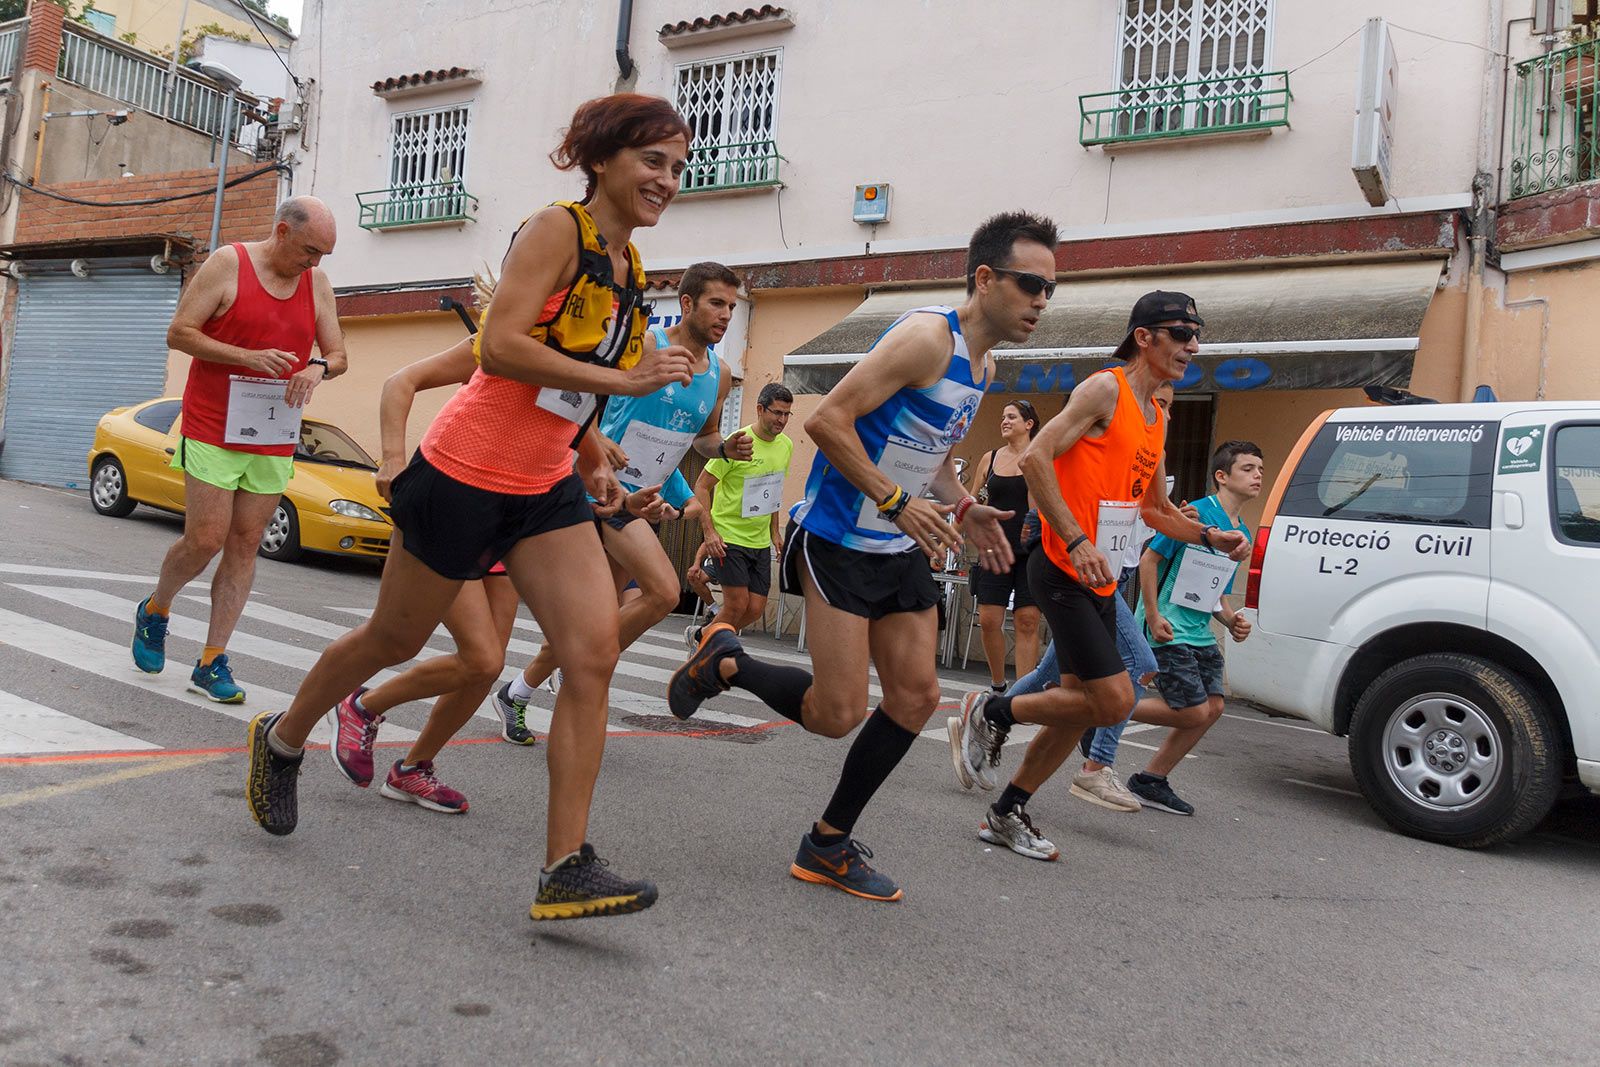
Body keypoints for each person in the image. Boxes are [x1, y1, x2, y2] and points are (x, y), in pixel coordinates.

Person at [245, 94, 696, 923]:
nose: (668, 178)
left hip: (544, 487)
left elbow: (568, 390)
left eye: (678, 165)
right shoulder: (557, 229)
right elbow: (501, 347)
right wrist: (625, 384)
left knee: (591, 656)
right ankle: (281, 736)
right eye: (653, 160)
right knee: (395, 637)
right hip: (462, 472)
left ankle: (564, 865)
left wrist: (593, 462)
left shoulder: (631, 273)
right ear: (602, 159)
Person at [666, 211, 1047, 902]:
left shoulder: (985, 366)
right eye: (1030, 284)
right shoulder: (928, 337)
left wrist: (962, 504)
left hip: (899, 544)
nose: (1042, 300)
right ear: (985, 278)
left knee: (916, 696)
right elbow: (828, 421)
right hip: (841, 537)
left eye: (1050, 288)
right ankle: (728, 660)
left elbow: (927, 462)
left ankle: (828, 841)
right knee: (836, 712)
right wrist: (896, 501)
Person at [948, 291, 1250, 860]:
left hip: (1103, 579)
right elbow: (1037, 458)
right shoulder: (1104, 388)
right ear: (1145, 337)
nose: (1193, 346)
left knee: (1080, 704)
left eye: (1196, 333)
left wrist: (1211, 537)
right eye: (1181, 333)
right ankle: (989, 710)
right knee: (1112, 699)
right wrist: (1077, 538)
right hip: (1063, 568)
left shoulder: (1157, 416)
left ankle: (1007, 812)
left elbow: (1155, 511)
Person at [494, 260, 748, 708]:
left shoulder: (720, 374)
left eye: (731, 305)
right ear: (687, 304)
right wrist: (600, 442)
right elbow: (584, 397)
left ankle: (518, 692)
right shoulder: (647, 344)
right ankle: (585, 669)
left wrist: (725, 449)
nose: (726, 314)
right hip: (604, 490)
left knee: (599, 616)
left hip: (643, 504)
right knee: (664, 592)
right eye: (715, 303)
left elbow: (703, 439)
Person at [131, 197, 345, 703]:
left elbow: (338, 355)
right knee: (205, 539)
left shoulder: (316, 283)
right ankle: (156, 610)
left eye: (324, 255)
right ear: (282, 232)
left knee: (246, 542)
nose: (315, 264)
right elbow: (179, 333)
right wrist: (246, 357)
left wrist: (317, 368)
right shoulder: (229, 263)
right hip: (212, 425)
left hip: (272, 433)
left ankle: (211, 660)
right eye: (311, 250)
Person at [1125, 439, 1261, 814]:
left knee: (1214, 708)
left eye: (1260, 469)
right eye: (1248, 469)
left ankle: (1151, 780)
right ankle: (1107, 709)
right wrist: (1152, 615)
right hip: (1168, 626)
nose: (1257, 476)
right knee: (1192, 711)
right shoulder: (1195, 515)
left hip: (1199, 632)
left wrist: (1231, 620)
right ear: (1222, 476)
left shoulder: (1242, 534)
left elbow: (1213, 594)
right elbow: (1148, 562)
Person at [683, 382, 795, 649]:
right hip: (729, 537)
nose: (782, 420)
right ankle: (705, 656)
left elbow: (773, 490)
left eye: (786, 414)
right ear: (759, 409)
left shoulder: (786, 446)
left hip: (758, 540)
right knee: (736, 605)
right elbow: (701, 485)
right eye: (776, 412)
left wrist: (774, 532)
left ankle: (701, 636)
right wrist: (709, 532)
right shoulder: (738, 442)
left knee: (754, 609)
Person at [965, 399, 1043, 692]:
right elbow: (973, 500)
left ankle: (1022, 692)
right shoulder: (990, 458)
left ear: (1029, 424)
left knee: (1027, 619)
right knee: (988, 619)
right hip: (994, 549)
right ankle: (999, 685)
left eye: (1011, 416)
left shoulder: (1040, 455)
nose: (1005, 421)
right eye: (1002, 417)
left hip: (1031, 549)